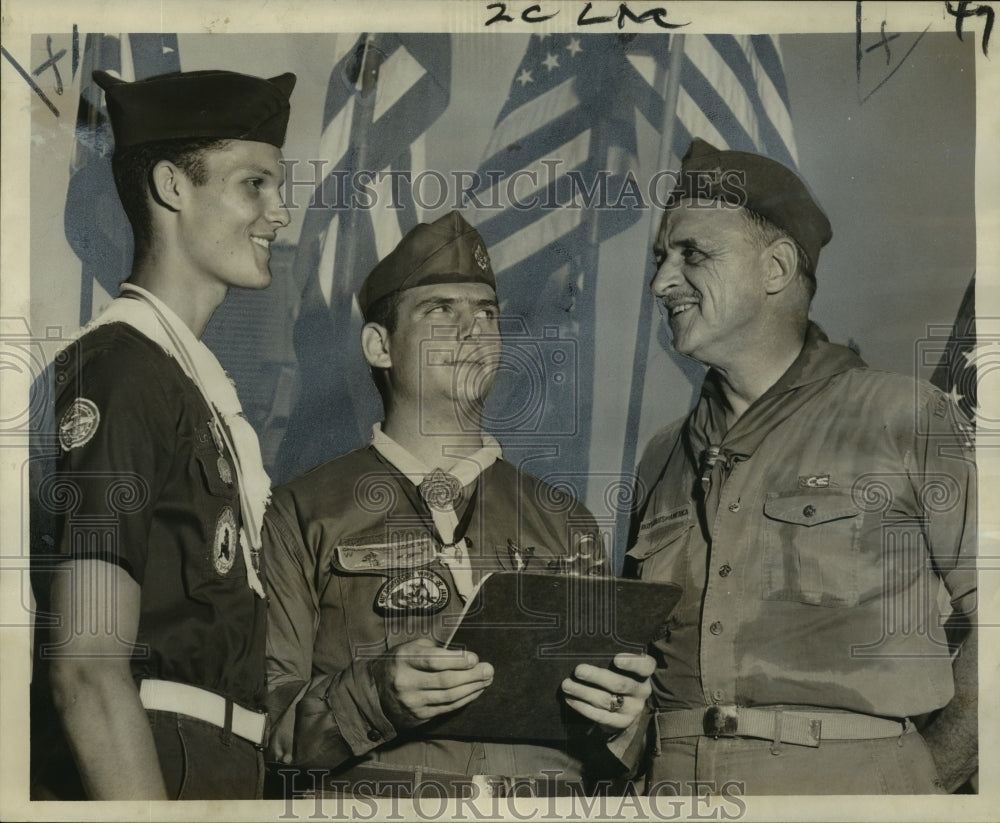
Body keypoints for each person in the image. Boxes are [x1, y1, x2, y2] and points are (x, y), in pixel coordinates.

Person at [625, 139, 977, 795]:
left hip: (848, 786)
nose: (661, 283)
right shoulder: (661, 455)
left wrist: (935, 774)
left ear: (777, 267)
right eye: (660, 259)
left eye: (691, 254)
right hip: (672, 788)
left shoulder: (903, 415)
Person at [264, 211, 655, 798]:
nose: (474, 330)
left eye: (487, 314)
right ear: (379, 346)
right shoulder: (302, 511)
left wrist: (626, 721)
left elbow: (615, 753)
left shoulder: (565, 522)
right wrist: (377, 694)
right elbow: (266, 722)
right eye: (441, 310)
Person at [30, 68, 295, 800]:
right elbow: (84, 666)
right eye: (255, 185)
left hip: (219, 761)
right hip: (153, 762)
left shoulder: (184, 380)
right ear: (174, 187)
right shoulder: (121, 373)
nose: (281, 213)